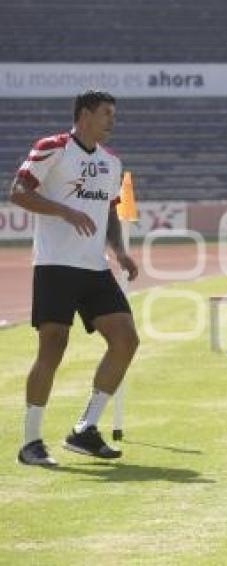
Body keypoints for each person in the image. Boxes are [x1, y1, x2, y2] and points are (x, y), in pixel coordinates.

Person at [9, 90, 139, 465]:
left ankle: (85, 430)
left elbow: (110, 211)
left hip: (95, 267)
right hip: (55, 264)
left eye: (114, 114)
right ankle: (31, 442)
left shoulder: (112, 162)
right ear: (84, 114)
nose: (112, 121)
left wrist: (119, 250)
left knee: (126, 339)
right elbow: (18, 192)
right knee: (53, 347)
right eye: (106, 114)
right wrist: (65, 211)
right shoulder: (53, 147)